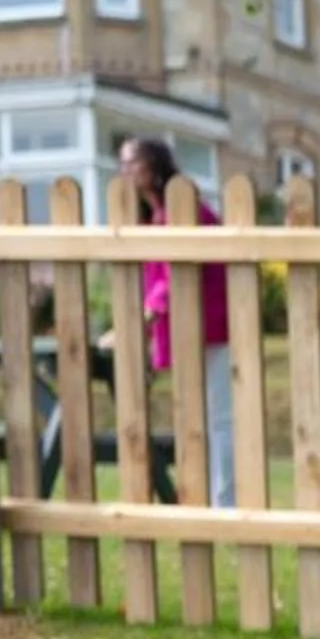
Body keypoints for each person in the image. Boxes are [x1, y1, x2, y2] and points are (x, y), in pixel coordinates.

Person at [110, 136, 238, 506]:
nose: (125, 170)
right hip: (187, 330)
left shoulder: (183, 210)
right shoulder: (154, 218)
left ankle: (225, 504)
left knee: (219, 419)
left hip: (212, 326)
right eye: (122, 163)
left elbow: (176, 276)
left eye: (133, 161)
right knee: (196, 419)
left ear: (155, 164)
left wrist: (141, 320)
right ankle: (206, 500)